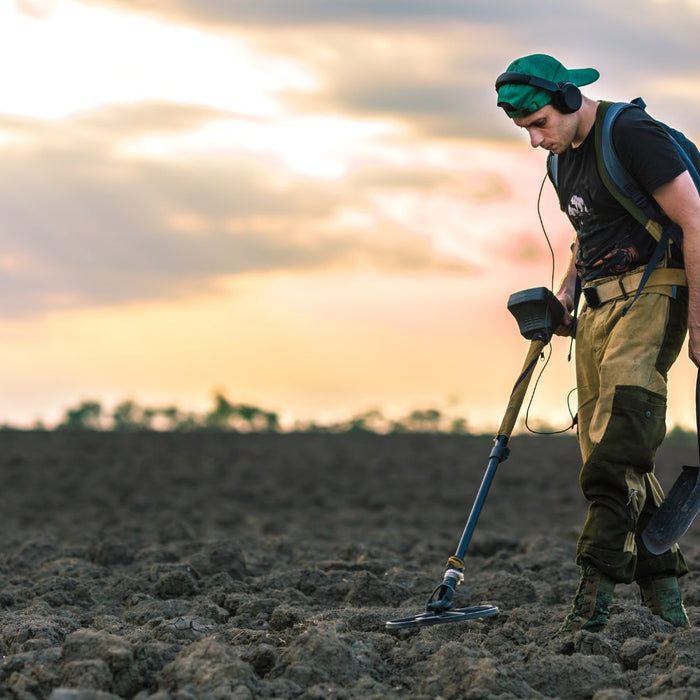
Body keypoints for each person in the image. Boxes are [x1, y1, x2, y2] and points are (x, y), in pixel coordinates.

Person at [495, 53, 700, 633]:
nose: (536, 141)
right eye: (525, 131)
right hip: (597, 310)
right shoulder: (562, 163)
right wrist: (564, 296)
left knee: (617, 448)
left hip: (657, 292)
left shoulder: (630, 133)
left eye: (539, 125)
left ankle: (590, 605)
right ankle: (668, 608)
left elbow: (695, 220)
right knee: (613, 456)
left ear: (565, 100)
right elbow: (591, 237)